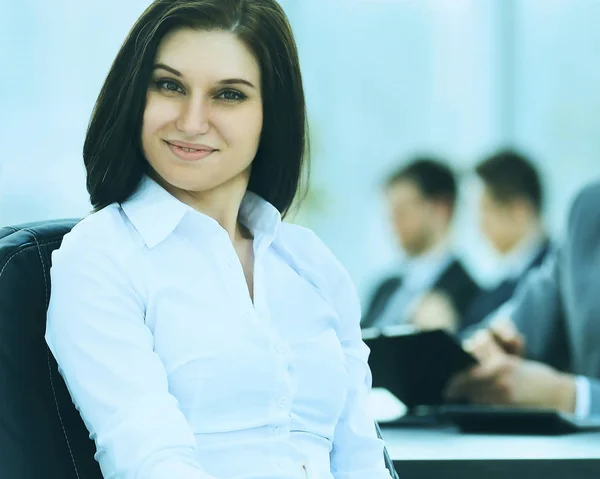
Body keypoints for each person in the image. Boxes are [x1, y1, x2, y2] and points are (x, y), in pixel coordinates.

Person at [45, 1, 392, 478]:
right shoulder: (101, 256)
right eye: (170, 85)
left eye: (229, 95)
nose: (191, 121)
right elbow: (149, 459)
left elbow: (361, 458)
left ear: (272, 113)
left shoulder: (310, 262)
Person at [446, 181, 600, 416]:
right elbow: (516, 322)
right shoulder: (589, 211)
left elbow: (565, 394)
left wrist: (571, 396)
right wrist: (486, 349)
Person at [361, 158, 479, 333]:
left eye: (402, 211)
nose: (393, 224)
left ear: (441, 210)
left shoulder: (470, 296)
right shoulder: (385, 288)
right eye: (390, 214)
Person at [460, 150, 552, 330]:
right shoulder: (496, 285)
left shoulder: (552, 277)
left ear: (519, 210)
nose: (479, 227)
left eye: (484, 210)